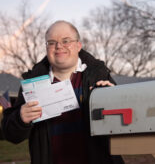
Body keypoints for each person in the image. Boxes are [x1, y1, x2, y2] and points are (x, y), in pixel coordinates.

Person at [1, 20, 124, 164]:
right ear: (46, 48)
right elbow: (10, 134)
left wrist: (115, 100)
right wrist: (20, 119)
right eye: (52, 42)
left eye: (66, 41)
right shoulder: (32, 84)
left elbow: (125, 124)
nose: (59, 46)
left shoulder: (99, 75)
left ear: (79, 45)